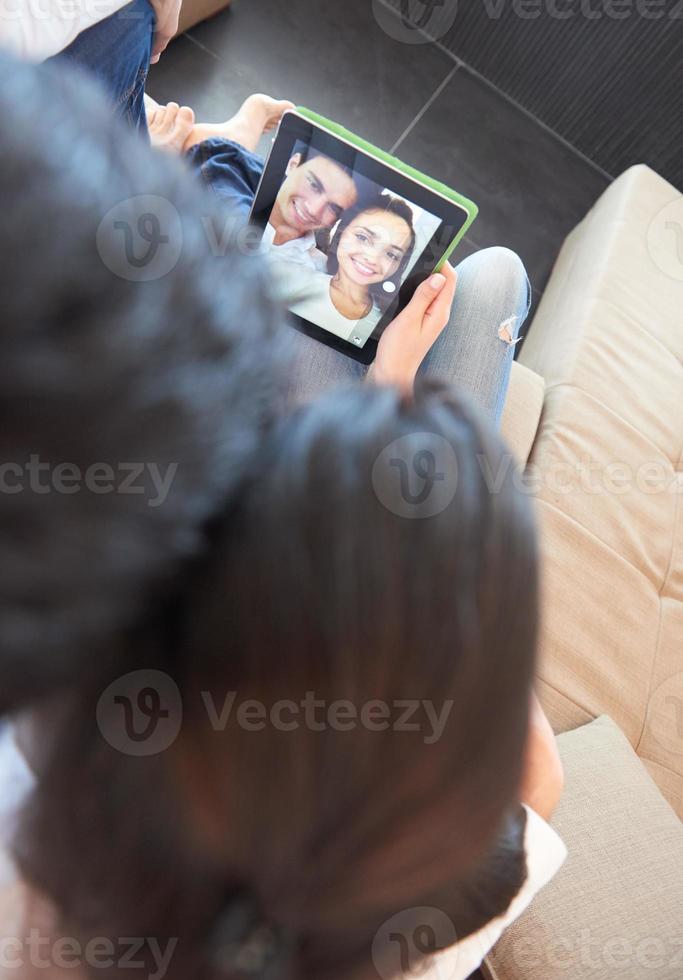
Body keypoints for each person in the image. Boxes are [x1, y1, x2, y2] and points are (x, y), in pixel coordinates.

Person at [282, 194, 417, 347]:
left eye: (391, 254)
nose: (372, 258)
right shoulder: (294, 280)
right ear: (341, 232)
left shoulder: (385, 328)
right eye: (363, 237)